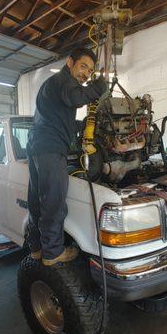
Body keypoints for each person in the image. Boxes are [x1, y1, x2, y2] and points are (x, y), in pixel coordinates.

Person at [26, 47, 107, 266]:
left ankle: (36, 247)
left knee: (36, 199)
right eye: (83, 66)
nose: (86, 74)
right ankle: (52, 252)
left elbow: (62, 119)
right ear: (70, 62)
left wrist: (87, 125)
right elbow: (75, 97)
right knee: (54, 201)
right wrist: (99, 86)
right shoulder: (62, 82)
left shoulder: (56, 86)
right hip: (50, 148)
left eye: (90, 71)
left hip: (38, 145)